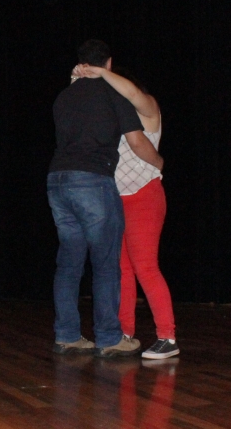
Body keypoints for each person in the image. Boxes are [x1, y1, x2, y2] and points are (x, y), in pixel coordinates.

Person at [47, 39, 163, 358]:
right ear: (108, 63)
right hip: (93, 180)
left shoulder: (64, 96)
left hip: (57, 181)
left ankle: (67, 336)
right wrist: (160, 162)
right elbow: (136, 142)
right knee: (107, 264)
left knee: (68, 263)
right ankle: (110, 338)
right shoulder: (113, 93)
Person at [73, 63, 178, 359]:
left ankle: (168, 337)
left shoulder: (148, 108)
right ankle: (125, 333)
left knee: (146, 266)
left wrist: (103, 73)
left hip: (145, 196)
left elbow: (131, 93)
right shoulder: (118, 121)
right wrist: (77, 79)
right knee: (123, 271)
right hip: (118, 201)